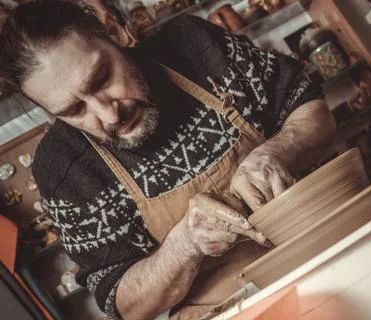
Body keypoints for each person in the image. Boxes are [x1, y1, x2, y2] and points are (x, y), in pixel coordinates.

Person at [0, 0, 336, 319]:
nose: (109, 114)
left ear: (113, 32)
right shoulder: (61, 169)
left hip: (330, 246)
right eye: (75, 110)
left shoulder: (195, 45)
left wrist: (278, 150)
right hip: (233, 309)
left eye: (102, 78)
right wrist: (185, 244)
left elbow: (309, 106)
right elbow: (125, 305)